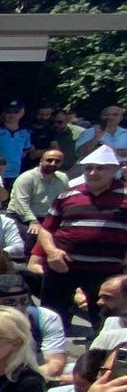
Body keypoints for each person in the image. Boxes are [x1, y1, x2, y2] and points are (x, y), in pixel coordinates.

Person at [35, 144, 127, 339]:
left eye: (100, 168)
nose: (93, 173)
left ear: (115, 170)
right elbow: (46, 229)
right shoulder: (67, 195)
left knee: (107, 321)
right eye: (88, 168)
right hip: (63, 265)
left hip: (106, 271)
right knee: (52, 316)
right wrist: (51, 252)